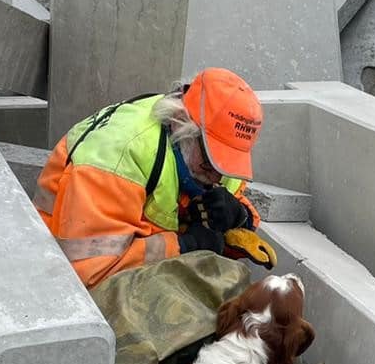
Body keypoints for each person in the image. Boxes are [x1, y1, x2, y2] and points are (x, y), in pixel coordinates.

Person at [35, 67, 273, 288]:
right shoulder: (119, 156)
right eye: (211, 160)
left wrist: (240, 219)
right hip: (57, 272)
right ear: (181, 125)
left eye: (227, 162)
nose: (218, 174)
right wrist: (185, 245)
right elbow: (90, 272)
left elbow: (228, 209)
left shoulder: (208, 157)